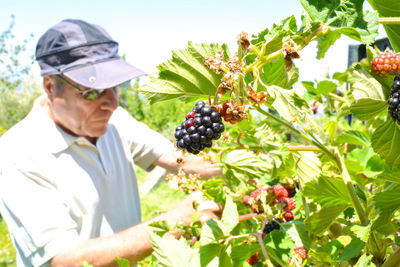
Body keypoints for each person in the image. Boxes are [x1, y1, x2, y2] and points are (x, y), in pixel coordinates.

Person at [0, 19, 223, 267]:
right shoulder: (16, 156)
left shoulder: (115, 121)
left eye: (114, 88)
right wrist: (178, 218)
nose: (112, 104)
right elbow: (65, 260)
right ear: (51, 87)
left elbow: (181, 161)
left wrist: (250, 164)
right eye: (93, 92)